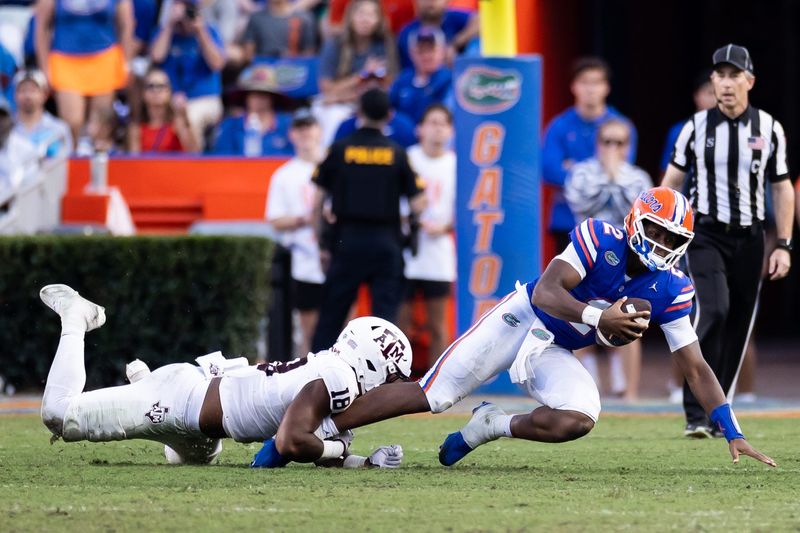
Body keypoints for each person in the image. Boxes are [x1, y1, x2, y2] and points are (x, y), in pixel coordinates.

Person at [260, 187, 778, 470]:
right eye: (658, 232)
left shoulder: (672, 287)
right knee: (434, 393)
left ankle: (491, 425)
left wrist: (731, 430)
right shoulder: (602, 237)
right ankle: (318, 427)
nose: (664, 246)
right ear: (636, 222)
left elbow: (695, 365)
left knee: (579, 417)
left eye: (674, 238)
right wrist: (600, 316)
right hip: (524, 317)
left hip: (555, 346)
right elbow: (549, 291)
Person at [39, 283, 410, 468]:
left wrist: (362, 462)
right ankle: (76, 317)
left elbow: (313, 441)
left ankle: (142, 387)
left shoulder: (334, 374)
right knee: (59, 414)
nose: (386, 388)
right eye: (391, 377)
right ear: (376, 363)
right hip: (177, 401)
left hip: (201, 427)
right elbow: (293, 440)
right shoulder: (339, 378)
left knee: (186, 462)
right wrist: (340, 448)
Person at [662, 44, 795, 438]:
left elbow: (782, 188)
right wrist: (657, 232)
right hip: (704, 234)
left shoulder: (769, 128)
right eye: (719, 75)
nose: (725, 83)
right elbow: (671, 181)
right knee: (713, 310)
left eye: (734, 75)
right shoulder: (695, 128)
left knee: (738, 324)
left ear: (749, 81)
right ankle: (694, 412)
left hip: (751, 238)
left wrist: (784, 244)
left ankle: (718, 414)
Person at [309, 88, 426, 352]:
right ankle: (381, 384)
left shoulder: (339, 149)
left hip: (346, 240)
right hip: (386, 242)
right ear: (389, 115)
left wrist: (322, 244)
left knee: (331, 317)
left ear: (359, 113)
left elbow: (316, 202)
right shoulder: (397, 153)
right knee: (384, 323)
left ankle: (315, 378)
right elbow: (419, 202)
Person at [564, 118, 652, 400]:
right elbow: (581, 203)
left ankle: (631, 394)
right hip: (586, 257)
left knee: (630, 320)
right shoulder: (581, 172)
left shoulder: (638, 176)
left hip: (625, 262)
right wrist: (609, 177)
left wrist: (616, 176)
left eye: (619, 143)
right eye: (607, 142)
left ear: (628, 146)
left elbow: (641, 215)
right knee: (578, 319)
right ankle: (583, 391)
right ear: (597, 144)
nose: (612, 148)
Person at [542, 57, 638, 253]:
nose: (590, 89)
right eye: (584, 82)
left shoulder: (621, 126)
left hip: (613, 225)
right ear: (574, 86)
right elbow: (549, 170)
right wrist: (599, 170)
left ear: (606, 87)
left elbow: (622, 170)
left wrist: (573, 167)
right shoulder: (559, 125)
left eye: (596, 82)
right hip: (567, 222)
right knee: (566, 282)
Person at [397, 103, 456, 369]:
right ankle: (396, 382)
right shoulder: (407, 158)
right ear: (420, 128)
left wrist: (444, 226)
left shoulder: (455, 164)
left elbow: (464, 208)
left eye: (442, 123)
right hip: (407, 248)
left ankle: (436, 380)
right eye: (432, 122)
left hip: (439, 251)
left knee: (437, 323)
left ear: (451, 130)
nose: (437, 129)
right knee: (401, 323)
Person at [267, 108, 325, 357]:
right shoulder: (284, 174)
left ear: (319, 131)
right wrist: (305, 219)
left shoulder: (331, 165)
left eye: (309, 127)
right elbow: (275, 220)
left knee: (346, 326)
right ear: (292, 134)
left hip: (335, 255)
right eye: (300, 128)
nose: (305, 133)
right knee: (308, 329)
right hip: (303, 258)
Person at [35, 0, 134, 144]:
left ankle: (98, 165)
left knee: (101, 127)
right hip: (65, 59)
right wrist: (44, 67)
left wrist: (127, 62)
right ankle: (72, 163)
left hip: (105, 58)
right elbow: (42, 27)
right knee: (72, 123)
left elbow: (126, 25)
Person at [150, 0, 225, 151]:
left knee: (189, 117)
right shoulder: (165, 31)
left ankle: (193, 166)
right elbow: (156, 56)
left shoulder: (209, 31)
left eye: (189, 8)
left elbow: (217, 64)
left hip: (204, 98)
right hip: (169, 98)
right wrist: (169, 25)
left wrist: (200, 31)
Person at [212, 65, 293, 156]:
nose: (258, 98)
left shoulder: (288, 125)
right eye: (253, 93)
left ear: (273, 97)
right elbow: (221, 159)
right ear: (246, 97)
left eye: (264, 94)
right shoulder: (231, 125)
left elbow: (296, 158)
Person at [389, 25, 452, 124]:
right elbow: (390, 110)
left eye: (431, 49)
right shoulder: (402, 80)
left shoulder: (449, 79)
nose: (426, 55)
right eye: (421, 51)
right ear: (411, 53)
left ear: (442, 51)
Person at [127, 67, 199, 154]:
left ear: (169, 92)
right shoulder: (136, 128)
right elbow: (134, 164)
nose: (156, 91)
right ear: (143, 93)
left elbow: (194, 155)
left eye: (161, 86)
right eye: (151, 86)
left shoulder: (178, 123)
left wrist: (184, 124)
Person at [396, 0, 478, 69]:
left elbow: (481, 21)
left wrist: (455, 44)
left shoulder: (454, 17)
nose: (430, 2)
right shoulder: (407, 33)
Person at [12, 68, 72, 158]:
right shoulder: (5, 128)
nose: (28, 96)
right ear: (15, 95)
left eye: (33, 90)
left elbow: (65, 162)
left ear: (44, 94)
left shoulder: (58, 129)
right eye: (23, 90)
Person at [240, 0, 317, 61]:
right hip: (263, 72)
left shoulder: (304, 18)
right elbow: (248, 55)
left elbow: (308, 55)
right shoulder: (256, 18)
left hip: (293, 70)